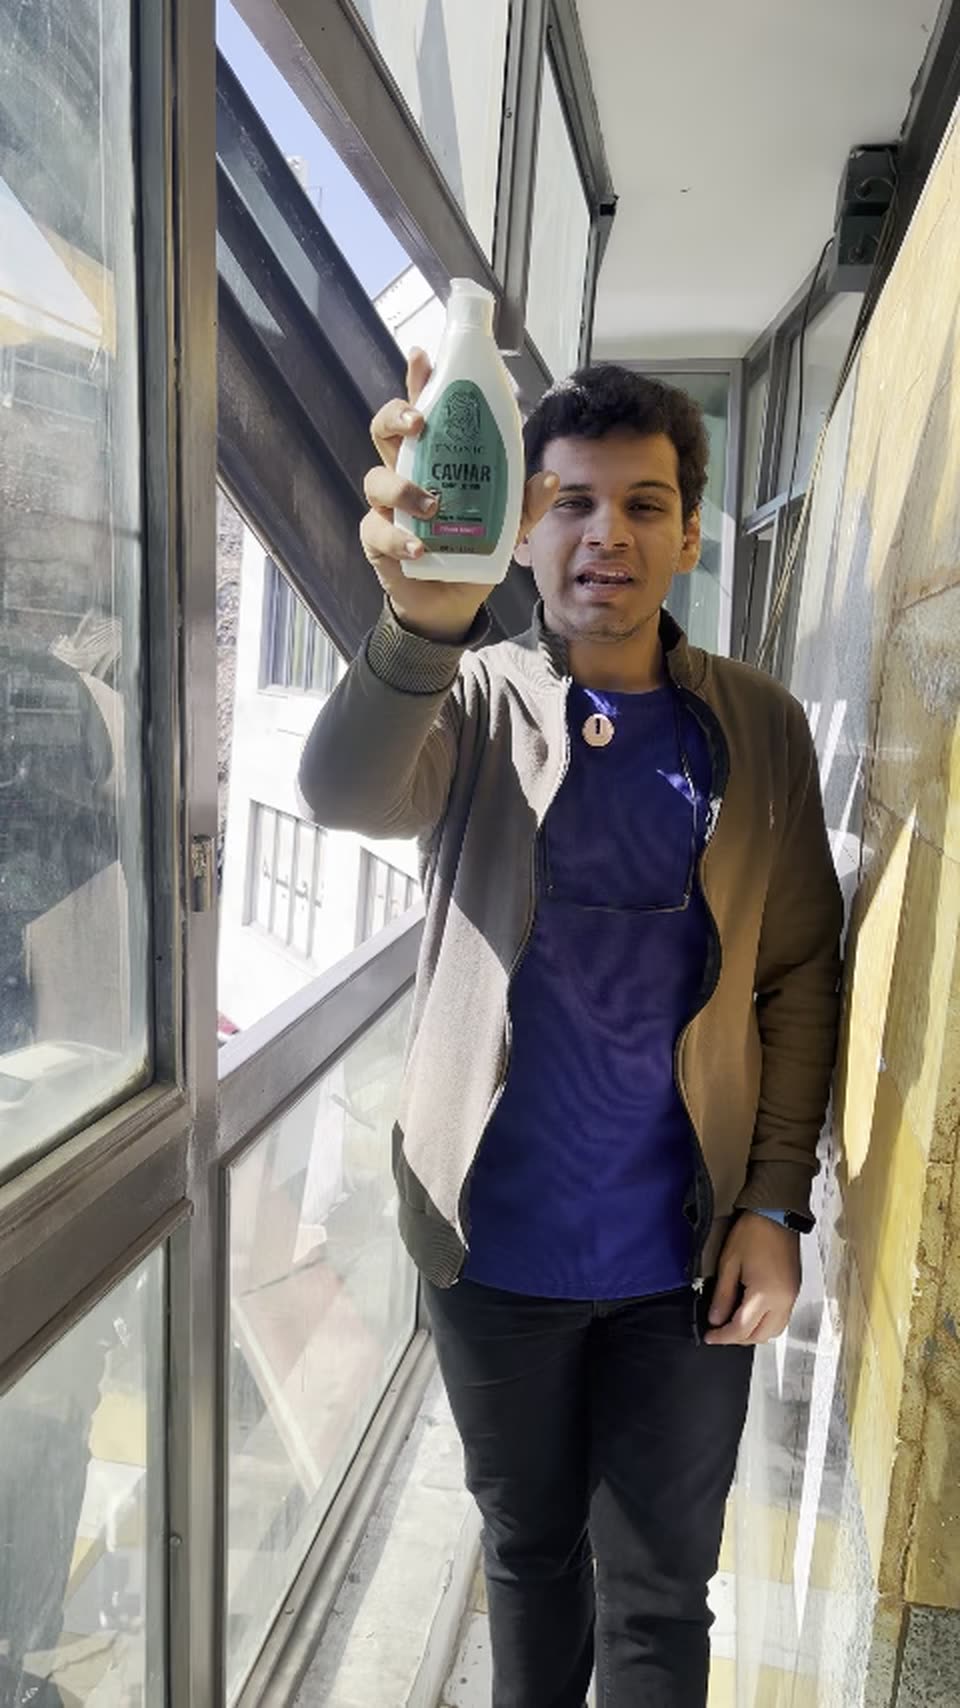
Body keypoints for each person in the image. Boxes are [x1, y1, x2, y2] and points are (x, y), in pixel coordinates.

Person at [298, 359, 842, 1708]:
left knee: (660, 1591)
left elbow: (797, 977)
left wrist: (777, 1203)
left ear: (690, 533)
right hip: (493, 1250)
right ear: (523, 527)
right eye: (570, 504)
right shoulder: (472, 702)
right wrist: (417, 625)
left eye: (644, 504)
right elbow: (347, 790)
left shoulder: (759, 727)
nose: (608, 534)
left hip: (685, 1261)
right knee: (531, 1556)